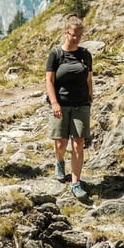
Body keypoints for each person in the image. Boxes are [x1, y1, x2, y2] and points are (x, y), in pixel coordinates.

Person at [45, 15, 93, 202]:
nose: (77, 38)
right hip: (61, 104)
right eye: (74, 35)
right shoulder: (56, 54)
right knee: (61, 144)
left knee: (78, 143)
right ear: (66, 33)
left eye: (80, 35)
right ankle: (59, 161)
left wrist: (91, 95)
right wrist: (54, 103)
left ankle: (75, 182)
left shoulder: (85, 55)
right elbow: (49, 81)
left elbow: (89, 77)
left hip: (81, 104)